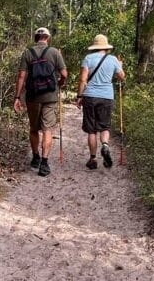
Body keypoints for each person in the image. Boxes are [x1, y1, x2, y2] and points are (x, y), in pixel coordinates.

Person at [14, 27, 67, 177]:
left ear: (35, 38)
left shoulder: (27, 53)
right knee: (47, 129)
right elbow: (64, 73)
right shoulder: (54, 52)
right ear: (47, 38)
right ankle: (44, 162)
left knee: (33, 128)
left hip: (33, 96)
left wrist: (17, 97)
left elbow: (21, 77)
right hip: (50, 96)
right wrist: (60, 83)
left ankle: (35, 157)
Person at [75, 34, 125, 170]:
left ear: (94, 47)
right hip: (106, 97)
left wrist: (79, 96)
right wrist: (119, 66)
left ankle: (93, 159)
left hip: (90, 96)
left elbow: (83, 79)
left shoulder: (88, 58)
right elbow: (122, 76)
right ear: (106, 47)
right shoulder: (113, 59)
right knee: (104, 127)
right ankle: (105, 145)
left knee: (91, 130)